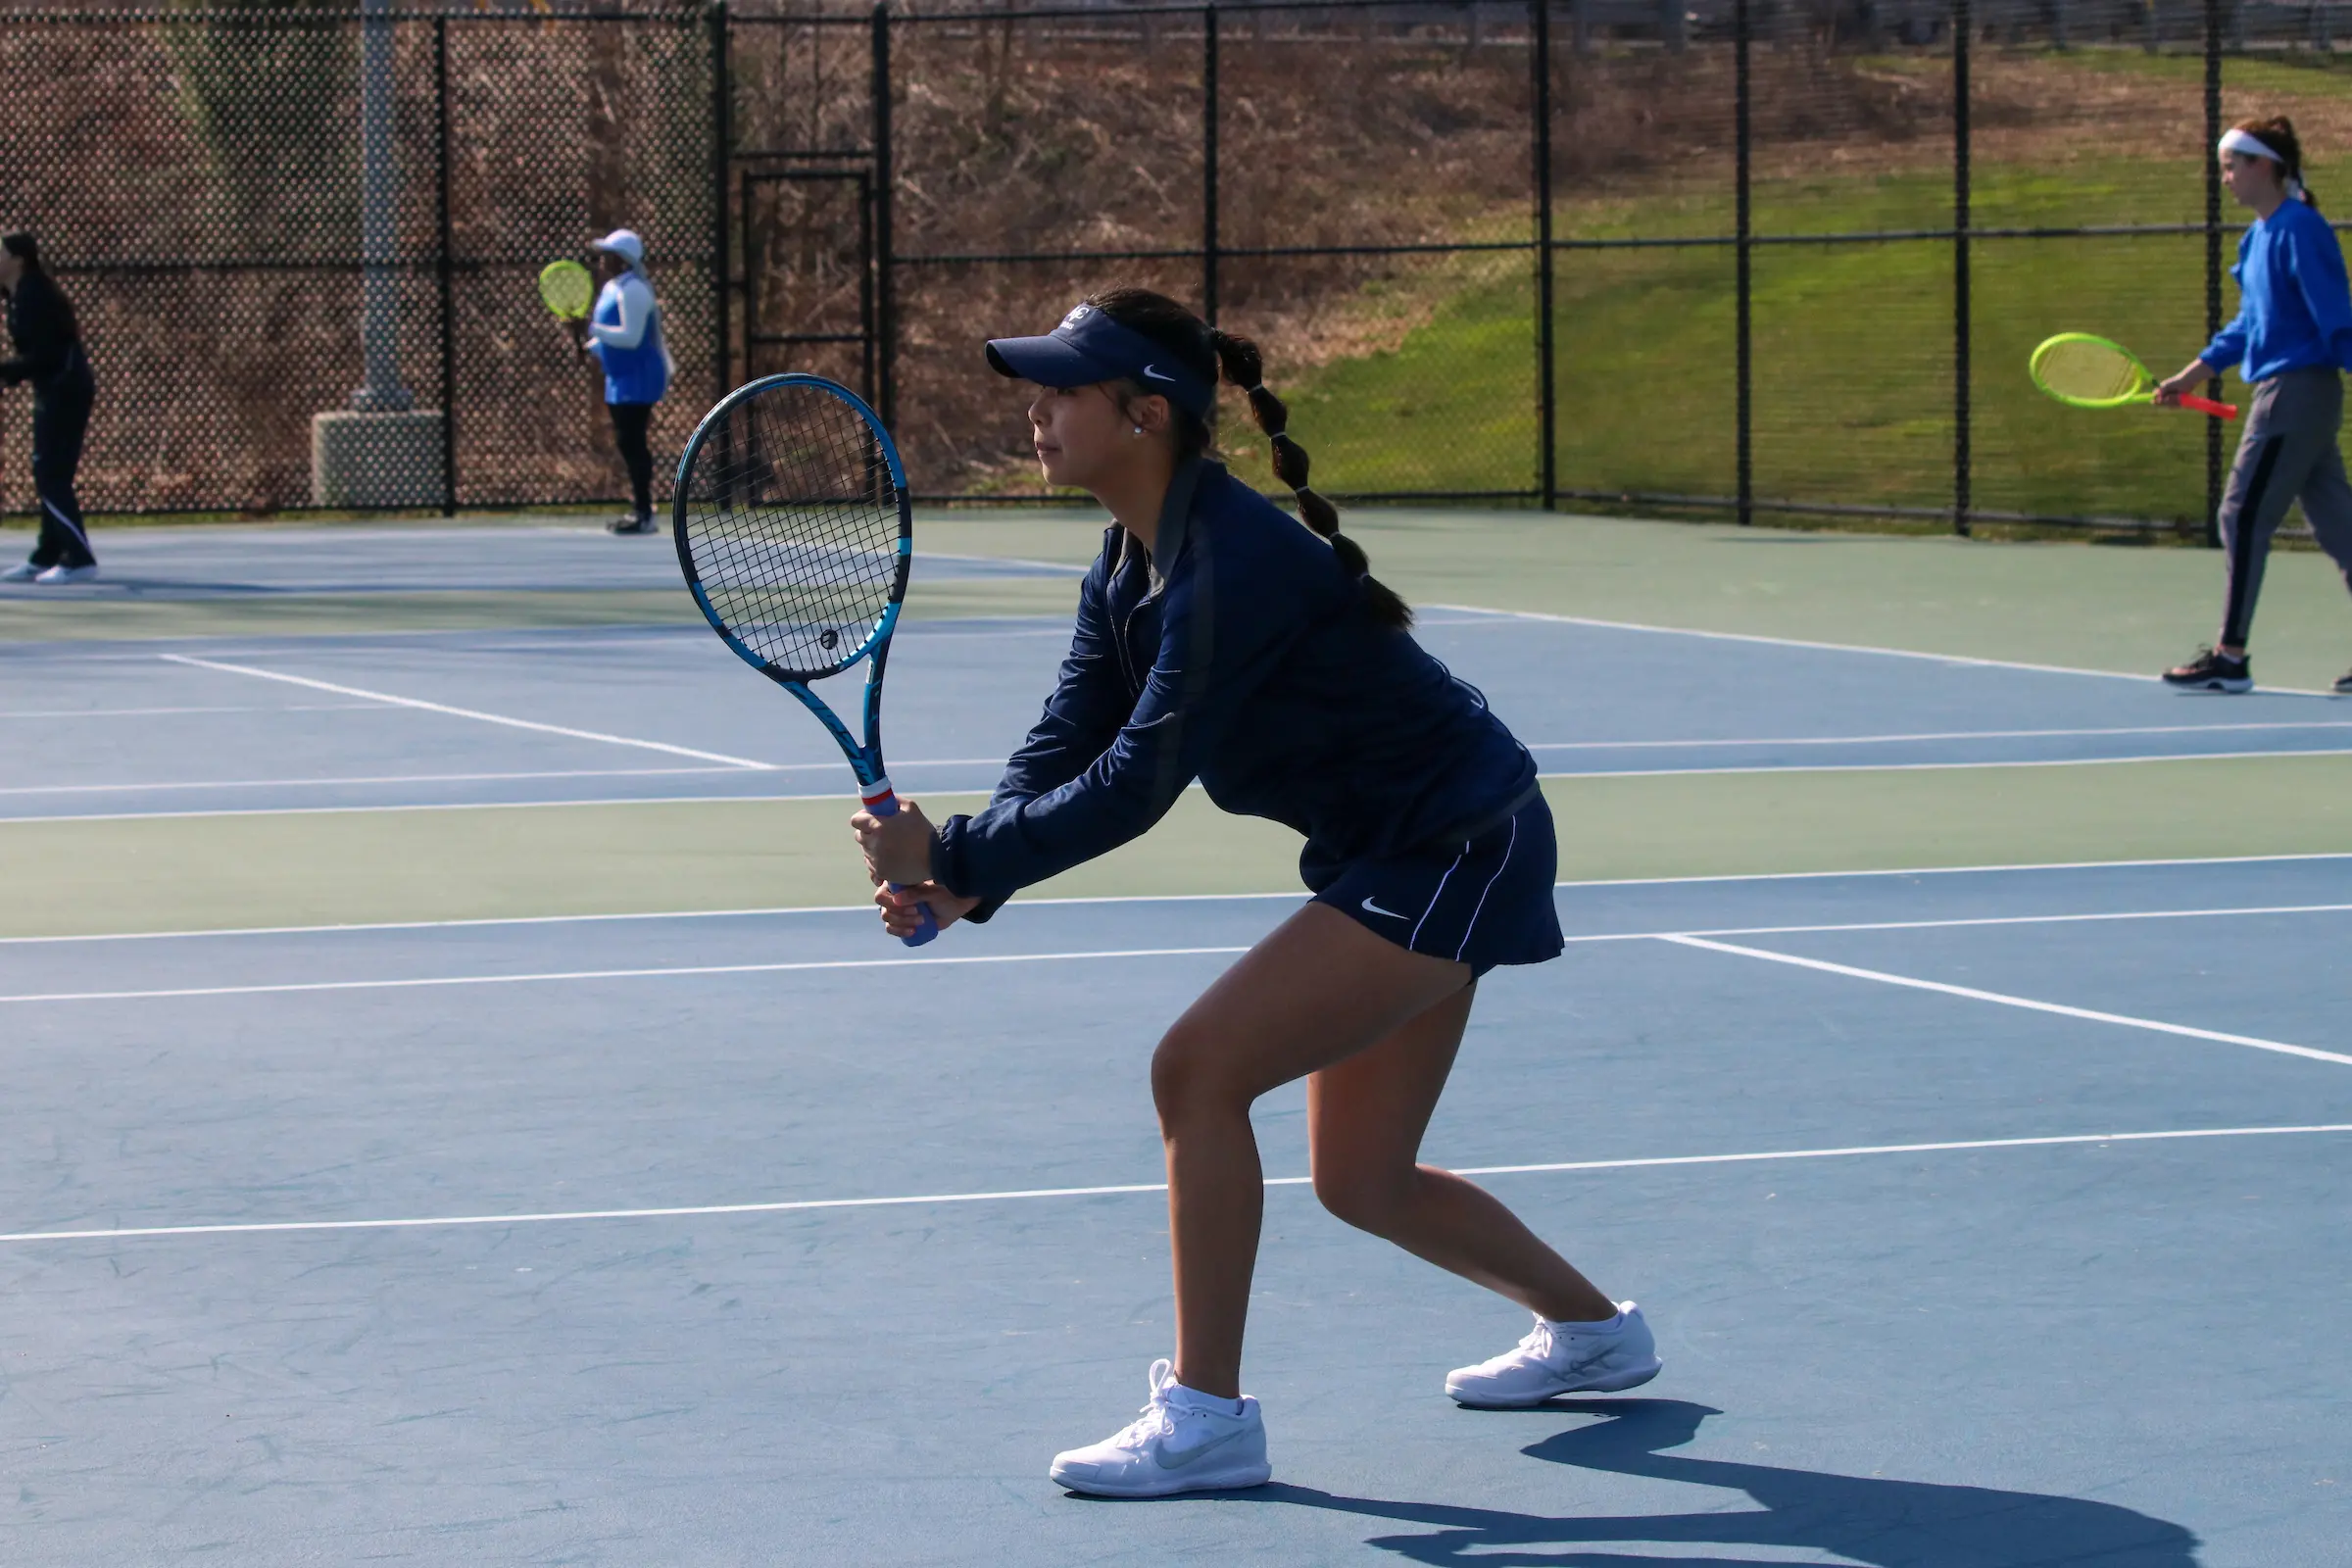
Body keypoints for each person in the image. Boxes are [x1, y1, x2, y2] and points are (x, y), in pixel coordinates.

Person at [851, 288, 1660, 1498]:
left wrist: (956, 856)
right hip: (1406, 845)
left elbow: (1137, 784)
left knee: (1198, 1070)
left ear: (1147, 413)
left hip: (1454, 845)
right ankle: (1598, 1334)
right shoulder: (1133, 552)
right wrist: (970, 882)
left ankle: (1208, 1415)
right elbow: (1070, 733)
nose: (1038, 410)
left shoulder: (1232, 564)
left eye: (1065, 388)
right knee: (1363, 1182)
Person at [2154, 117, 2352, 695]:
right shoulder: (2258, 237)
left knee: (2241, 515)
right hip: (2290, 393)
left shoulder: (2301, 230)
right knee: (2341, 527)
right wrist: (2190, 375)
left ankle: (2230, 657)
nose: (2226, 179)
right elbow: (2249, 324)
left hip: (2296, 393)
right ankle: (2230, 654)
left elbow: (2335, 314)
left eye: (2232, 166)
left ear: (2265, 165)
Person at [0, 232, 98, 584]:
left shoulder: (34, 296)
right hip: (56, 388)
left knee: (50, 474)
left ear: (18, 260)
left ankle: (79, 558)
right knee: (51, 473)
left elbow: (47, 355)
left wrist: (6, 372)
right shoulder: (17, 295)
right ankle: (47, 555)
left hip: (65, 389)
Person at [568, 228, 672, 535]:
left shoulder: (635, 290)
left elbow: (631, 337)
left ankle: (645, 513)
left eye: (609, 254)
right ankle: (641, 509)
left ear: (624, 259)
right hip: (619, 378)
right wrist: (588, 346)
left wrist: (592, 330)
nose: (602, 260)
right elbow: (607, 335)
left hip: (639, 376)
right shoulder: (613, 288)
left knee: (633, 442)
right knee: (628, 443)